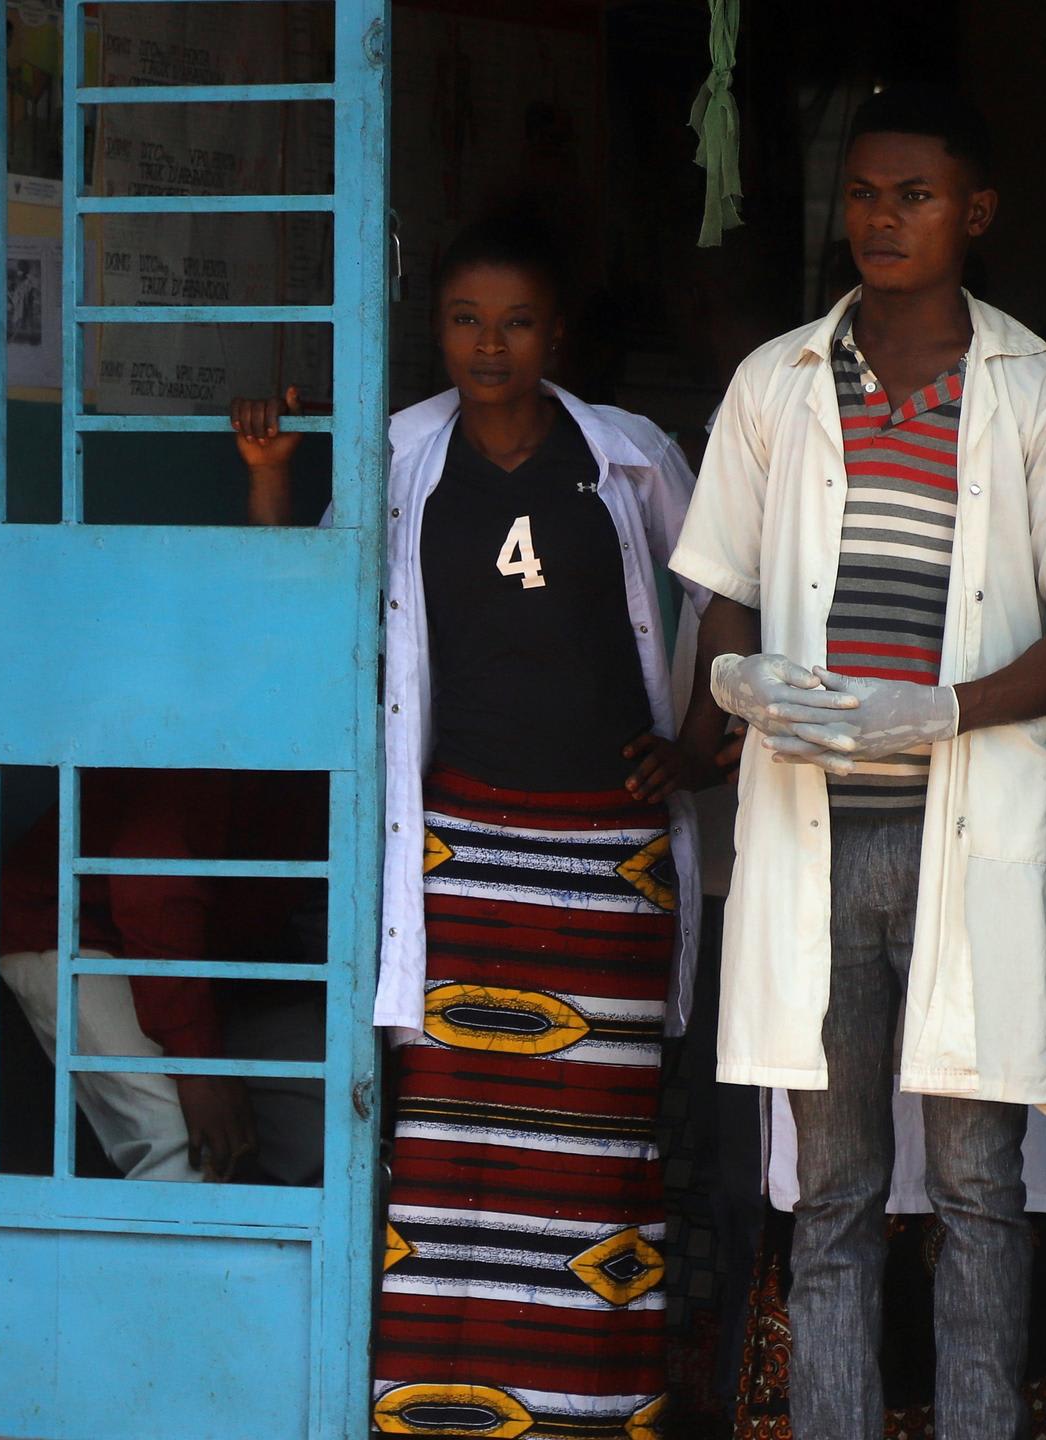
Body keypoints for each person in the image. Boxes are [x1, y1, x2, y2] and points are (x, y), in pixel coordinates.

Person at [669, 86, 1046, 1439]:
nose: (882, 218)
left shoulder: (1032, 390)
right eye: (863, 194)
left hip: (964, 828)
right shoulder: (776, 382)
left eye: (915, 196)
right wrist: (735, 674)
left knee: (981, 1190)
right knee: (834, 1191)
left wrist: (941, 711)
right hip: (815, 830)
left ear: (975, 214)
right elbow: (725, 583)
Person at [230, 216, 707, 1438]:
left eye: (517, 322)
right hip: (454, 852)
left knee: (595, 1152)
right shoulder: (399, 456)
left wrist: (700, 740)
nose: (489, 346)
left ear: (557, 333)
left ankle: (592, 1408)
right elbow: (313, 622)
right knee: (444, 1151)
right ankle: (443, 1407)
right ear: (433, 329)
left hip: (607, 858)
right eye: (464, 321)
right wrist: (274, 480)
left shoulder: (630, 458)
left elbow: (722, 599)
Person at [0, 769, 326, 1184]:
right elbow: (152, 888)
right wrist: (198, 1068)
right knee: (186, 1143)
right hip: (73, 926)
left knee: (332, 1128)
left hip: (207, 955)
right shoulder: (217, 742)